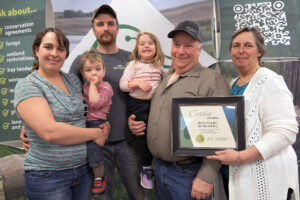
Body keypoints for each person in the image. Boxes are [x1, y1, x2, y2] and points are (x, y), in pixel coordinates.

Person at [129, 20, 230, 200]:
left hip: (189, 174)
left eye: (189, 46)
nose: (181, 51)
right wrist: (136, 124)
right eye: (177, 45)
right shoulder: (167, 75)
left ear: (199, 49)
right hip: (160, 169)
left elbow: (222, 135)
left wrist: (206, 176)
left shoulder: (211, 80)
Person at [14, 27, 109, 200]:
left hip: (83, 172)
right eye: (48, 47)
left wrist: (105, 122)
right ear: (36, 50)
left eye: (60, 49)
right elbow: (50, 131)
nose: (54, 53)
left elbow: (88, 109)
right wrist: (95, 133)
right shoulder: (27, 85)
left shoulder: (73, 80)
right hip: (48, 177)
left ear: (66, 54)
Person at [207, 27, 299, 200]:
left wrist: (240, 157)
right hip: (235, 176)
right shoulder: (233, 83)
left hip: (265, 177)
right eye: (236, 46)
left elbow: (285, 132)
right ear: (230, 51)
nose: (241, 50)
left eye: (248, 45)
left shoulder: (270, 81)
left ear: (260, 51)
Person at [69, 4, 145, 200]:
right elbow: (68, 99)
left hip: (128, 142)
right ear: (93, 29)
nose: (106, 28)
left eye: (110, 24)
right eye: (100, 24)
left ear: (117, 28)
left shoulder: (130, 59)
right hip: (96, 143)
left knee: (138, 193)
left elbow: (143, 97)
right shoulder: (81, 62)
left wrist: (139, 120)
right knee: (102, 196)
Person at [119, 31, 165, 190]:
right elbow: (123, 84)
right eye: (142, 43)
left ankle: (160, 164)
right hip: (137, 104)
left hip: (154, 105)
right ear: (137, 49)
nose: (146, 46)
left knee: (156, 133)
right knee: (141, 135)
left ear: (156, 47)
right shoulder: (133, 65)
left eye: (150, 43)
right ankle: (146, 168)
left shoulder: (159, 67)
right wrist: (137, 83)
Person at [80, 50, 113, 195]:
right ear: (82, 73)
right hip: (84, 123)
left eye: (97, 69)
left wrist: (93, 86)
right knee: (84, 152)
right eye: (89, 70)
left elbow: (95, 103)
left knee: (94, 151)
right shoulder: (85, 87)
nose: (94, 73)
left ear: (104, 71)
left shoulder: (105, 87)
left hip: (96, 123)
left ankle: (99, 177)